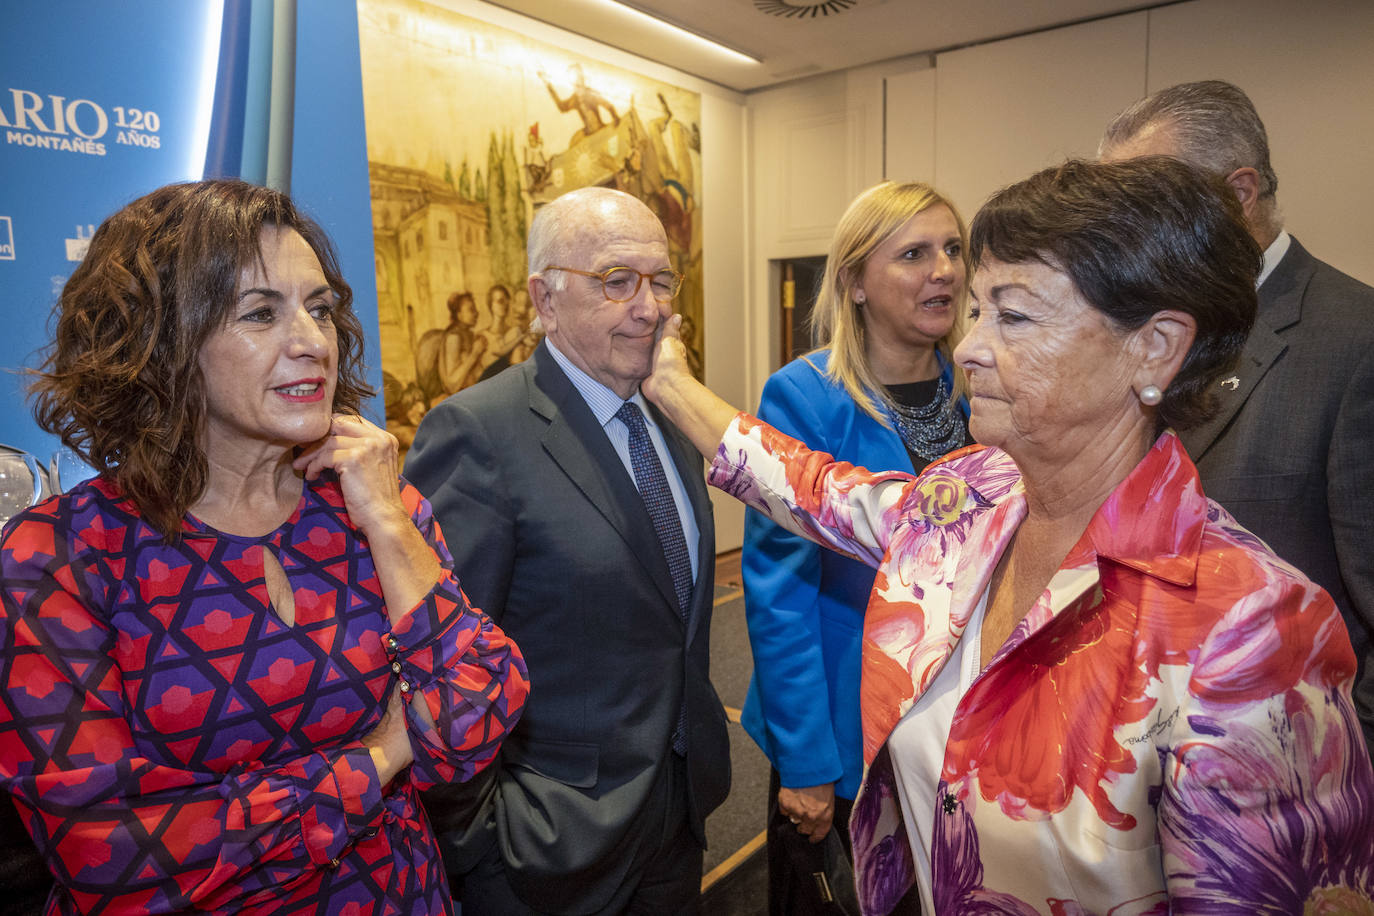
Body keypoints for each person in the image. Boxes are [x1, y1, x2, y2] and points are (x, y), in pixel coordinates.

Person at [643, 158, 1374, 914]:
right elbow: (812, 488)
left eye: (1014, 316)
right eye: (978, 313)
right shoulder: (972, 503)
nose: (967, 349)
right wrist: (668, 382)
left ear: (1154, 347)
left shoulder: (1252, 631)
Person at [0, 179, 529, 915]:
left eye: (319, 308)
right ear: (163, 341)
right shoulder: (60, 556)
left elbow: (477, 714)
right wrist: (379, 756)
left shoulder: (373, 503)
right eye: (260, 313)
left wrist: (386, 521)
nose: (313, 342)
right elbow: (110, 858)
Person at [405, 187, 728, 915]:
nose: (649, 308)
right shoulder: (476, 434)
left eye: (662, 281)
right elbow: (434, 660)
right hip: (547, 851)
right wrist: (481, 842)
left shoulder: (672, 416)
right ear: (544, 300)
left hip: (678, 813)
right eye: (617, 282)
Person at [1099, 79, 1374, 755]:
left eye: (1151, 204)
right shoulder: (1145, 332)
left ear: (1241, 193)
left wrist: (1341, 777)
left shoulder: (1355, 342)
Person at [740, 181, 971, 915]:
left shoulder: (980, 387)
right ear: (855, 284)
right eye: (913, 254)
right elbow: (779, 597)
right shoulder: (805, 396)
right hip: (843, 726)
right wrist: (807, 765)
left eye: (953, 249)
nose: (944, 270)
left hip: (953, 723)